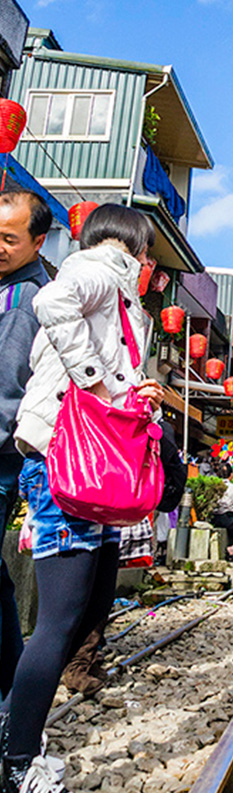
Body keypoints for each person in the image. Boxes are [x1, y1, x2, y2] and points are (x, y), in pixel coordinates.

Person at [0, 204, 165, 793]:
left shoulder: (116, 295)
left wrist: (129, 386)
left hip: (75, 470)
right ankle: (18, 765)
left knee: (66, 620)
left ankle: (17, 740)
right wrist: (103, 380)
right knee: (57, 623)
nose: (149, 267)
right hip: (63, 469)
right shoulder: (100, 268)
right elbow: (51, 304)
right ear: (131, 247)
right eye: (148, 255)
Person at [0, 191, 51, 702]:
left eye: (9, 239)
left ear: (38, 242)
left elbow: (6, 390)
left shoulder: (22, 302)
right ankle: (12, 690)